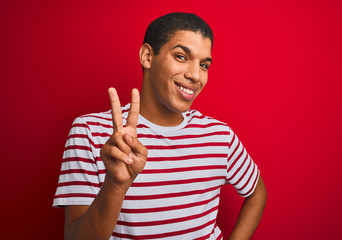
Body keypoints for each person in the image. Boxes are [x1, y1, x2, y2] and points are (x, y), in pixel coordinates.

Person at [53, 12, 267, 240]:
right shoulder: (90, 132)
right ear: (147, 56)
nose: (196, 75)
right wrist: (115, 186)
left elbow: (257, 193)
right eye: (182, 57)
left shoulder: (219, 136)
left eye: (204, 65)